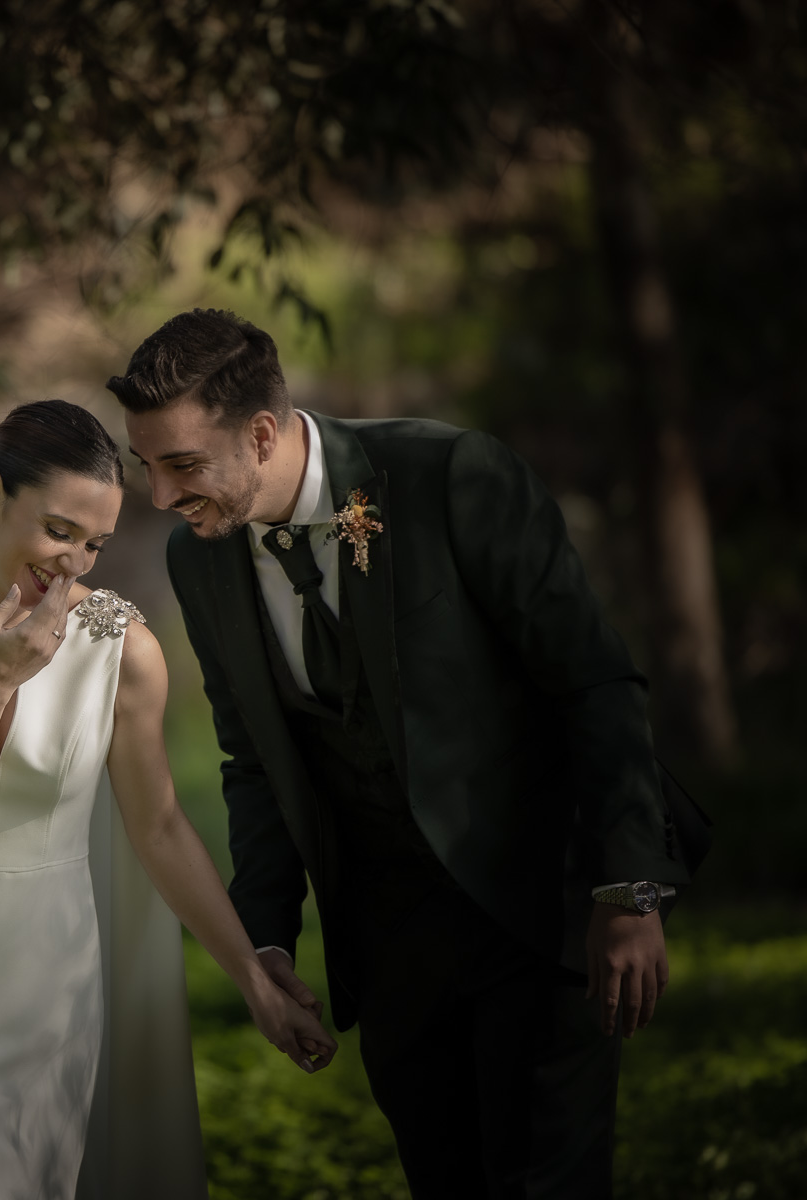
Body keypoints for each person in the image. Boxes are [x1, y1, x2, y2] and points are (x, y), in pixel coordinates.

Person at [109, 308, 704, 1198]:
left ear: (262, 434)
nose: (159, 496)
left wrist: (628, 889)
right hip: (388, 950)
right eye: (144, 466)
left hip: (537, 912)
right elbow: (255, 760)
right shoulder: (201, 562)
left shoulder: (450, 476)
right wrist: (266, 941)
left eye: (182, 466)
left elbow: (594, 683)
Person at [0, 399, 335, 1200]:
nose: (75, 565)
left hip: (46, 997)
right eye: (59, 532)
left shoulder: (120, 650)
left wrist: (254, 979)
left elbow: (159, 826)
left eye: (93, 544)